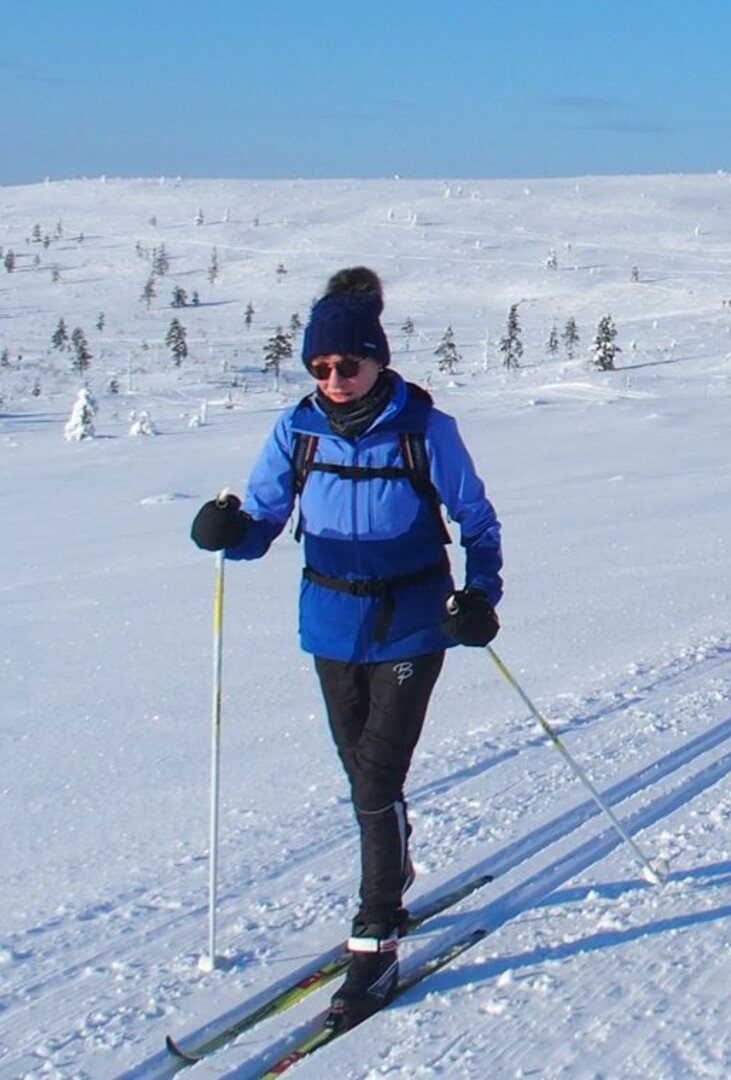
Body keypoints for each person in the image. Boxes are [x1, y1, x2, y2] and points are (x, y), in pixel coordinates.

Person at [188, 267, 503, 1029]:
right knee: (363, 773)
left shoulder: (427, 430)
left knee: (374, 777)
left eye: (345, 365)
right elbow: (263, 520)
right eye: (319, 368)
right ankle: (393, 866)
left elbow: (477, 522)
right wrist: (228, 534)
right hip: (328, 624)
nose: (332, 379)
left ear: (376, 359)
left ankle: (376, 931)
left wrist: (480, 596)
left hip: (412, 622)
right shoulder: (296, 431)